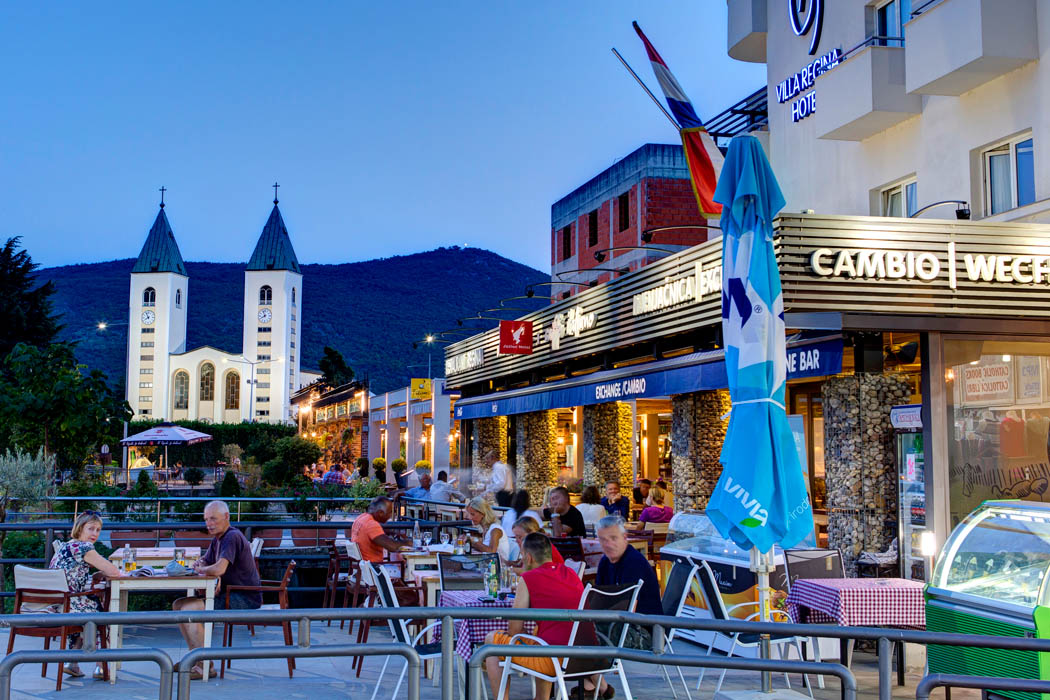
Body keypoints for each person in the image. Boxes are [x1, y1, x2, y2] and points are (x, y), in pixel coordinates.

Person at [484, 533, 595, 700]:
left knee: (492, 640)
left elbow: (514, 629)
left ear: (528, 558)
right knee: (539, 634)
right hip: (588, 656)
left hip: (556, 660)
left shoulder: (528, 578)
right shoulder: (570, 573)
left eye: (522, 556)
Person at [173, 501, 261, 680]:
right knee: (178, 605)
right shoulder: (218, 539)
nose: (209, 524)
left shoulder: (232, 537)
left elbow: (219, 568)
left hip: (243, 597)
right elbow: (206, 560)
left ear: (226, 517)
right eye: (206, 519)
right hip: (230, 594)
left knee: (190, 609)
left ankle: (205, 665)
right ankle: (196, 659)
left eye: (213, 518)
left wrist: (201, 569)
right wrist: (202, 564)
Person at [49, 511, 125, 679]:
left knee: (90, 605)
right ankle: (101, 666)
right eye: (91, 529)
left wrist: (97, 574)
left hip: (56, 603)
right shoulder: (84, 547)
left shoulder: (67, 545)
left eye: (98, 530)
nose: (95, 534)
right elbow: (114, 571)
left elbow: (72, 575)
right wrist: (106, 572)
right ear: (80, 528)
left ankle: (72, 663)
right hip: (69, 604)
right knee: (106, 615)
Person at [350, 497, 418, 605]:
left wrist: (391, 532)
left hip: (363, 569)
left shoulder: (362, 518)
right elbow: (392, 547)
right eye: (389, 512)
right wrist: (408, 543)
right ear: (381, 512)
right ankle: (408, 610)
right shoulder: (371, 525)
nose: (390, 516)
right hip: (374, 571)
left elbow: (378, 534)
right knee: (412, 580)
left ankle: (378, 604)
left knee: (401, 571)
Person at [595, 515, 661, 616]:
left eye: (613, 538)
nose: (608, 544)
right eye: (603, 539)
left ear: (625, 538)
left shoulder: (633, 562)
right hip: (617, 622)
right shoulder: (605, 561)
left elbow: (628, 609)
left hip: (642, 625)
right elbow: (598, 599)